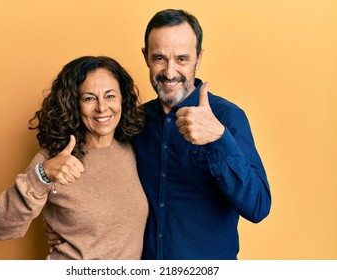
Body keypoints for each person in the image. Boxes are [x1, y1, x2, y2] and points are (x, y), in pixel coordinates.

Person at [46, 9, 272, 260]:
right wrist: (65, 225)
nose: (170, 71)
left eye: (182, 59)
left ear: (198, 58)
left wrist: (219, 139)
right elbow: (102, 181)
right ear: (145, 57)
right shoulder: (133, 121)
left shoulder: (227, 118)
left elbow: (258, 207)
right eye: (160, 58)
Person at [0, 56, 148, 260]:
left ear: (123, 99)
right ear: (74, 104)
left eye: (110, 96)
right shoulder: (54, 159)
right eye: (89, 98)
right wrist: (42, 175)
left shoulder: (132, 150)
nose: (101, 107)